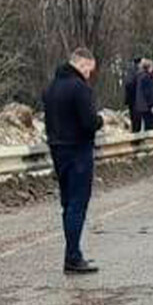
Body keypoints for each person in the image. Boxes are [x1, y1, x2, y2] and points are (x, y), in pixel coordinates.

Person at [43, 47, 104, 274]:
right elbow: (89, 122)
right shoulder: (79, 88)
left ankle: (72, 253)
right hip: (78, 150)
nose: (90, 74)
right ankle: (73, 256)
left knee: (68, 204)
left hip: (58, 149)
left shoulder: (51, 87)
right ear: (83, 63)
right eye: (90, 69)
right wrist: (100, 121)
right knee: (78, 204)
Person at [126, 57, 151, 133]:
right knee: (137, 125)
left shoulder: (133, 72)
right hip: (136, 103)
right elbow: (129, 85)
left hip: (135, 102)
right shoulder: (135, 73)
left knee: (136, 124)